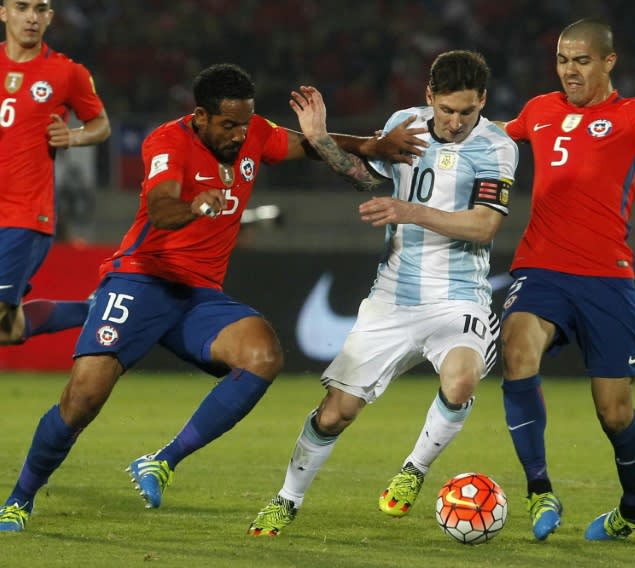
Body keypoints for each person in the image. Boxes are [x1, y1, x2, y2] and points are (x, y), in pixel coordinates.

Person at [0, 62, 427, 532]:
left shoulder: (254, 135)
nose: (239, 134)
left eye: (244, 123)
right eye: (228, 125)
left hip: (198, 295)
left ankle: (161, 461)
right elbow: (161, 208)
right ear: (200, 116)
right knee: (82, 399)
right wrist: (192, 207)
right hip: (141, 280)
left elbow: (305, 145)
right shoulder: (167, 141)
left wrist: (370, 145)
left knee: (262, 355)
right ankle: (20, 499)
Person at [248, 50, 519, 537]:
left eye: (468, 112)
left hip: (460, 296)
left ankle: (413, 470)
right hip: (393, 295)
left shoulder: (497, 147)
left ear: (483, 101)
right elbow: (369, 182)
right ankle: (285, 500)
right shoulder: (404, 126)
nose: (456, 123)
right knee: (335, 415)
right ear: (429, 96)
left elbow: (484, 226)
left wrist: (410, 210)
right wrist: (320, 141)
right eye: (447, 110)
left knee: (460, 381)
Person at [496, 18, 635, 542]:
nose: (569, 70)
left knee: (614, 413)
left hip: (605, 277)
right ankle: (539, 489)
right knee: (516, 351)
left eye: (581, 60)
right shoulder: (538, 111)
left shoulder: (633, 116)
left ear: (608, 62)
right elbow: (484, 142)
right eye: (562, 59)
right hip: (541, 266)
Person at [0, 0, 111, 346]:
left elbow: (101, 124)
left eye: (41, 9)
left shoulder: (66, 72)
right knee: (8, 330)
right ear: (3, 12)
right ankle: (93, 309)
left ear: (50, 17)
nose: (31, 17)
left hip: (25, 215)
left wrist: (74, 136)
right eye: (22, 7)